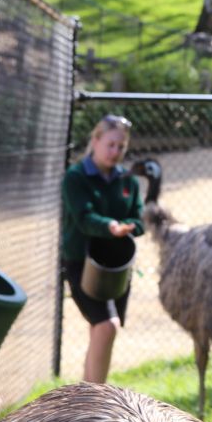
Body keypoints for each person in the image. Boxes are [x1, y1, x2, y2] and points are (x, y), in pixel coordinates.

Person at [60, 114, 144, 384]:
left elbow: (139, 220)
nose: (115, 152)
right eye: (110, 144)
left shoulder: (128, 181)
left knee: (100, 330)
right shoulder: (75, 178)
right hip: (81, 264)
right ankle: (96, 397)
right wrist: (110, 227)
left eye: (121, 147)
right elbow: (84, 219)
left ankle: (86, 398)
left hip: (118, 267)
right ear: (95, 140)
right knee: (107, 326)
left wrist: (128, 227)